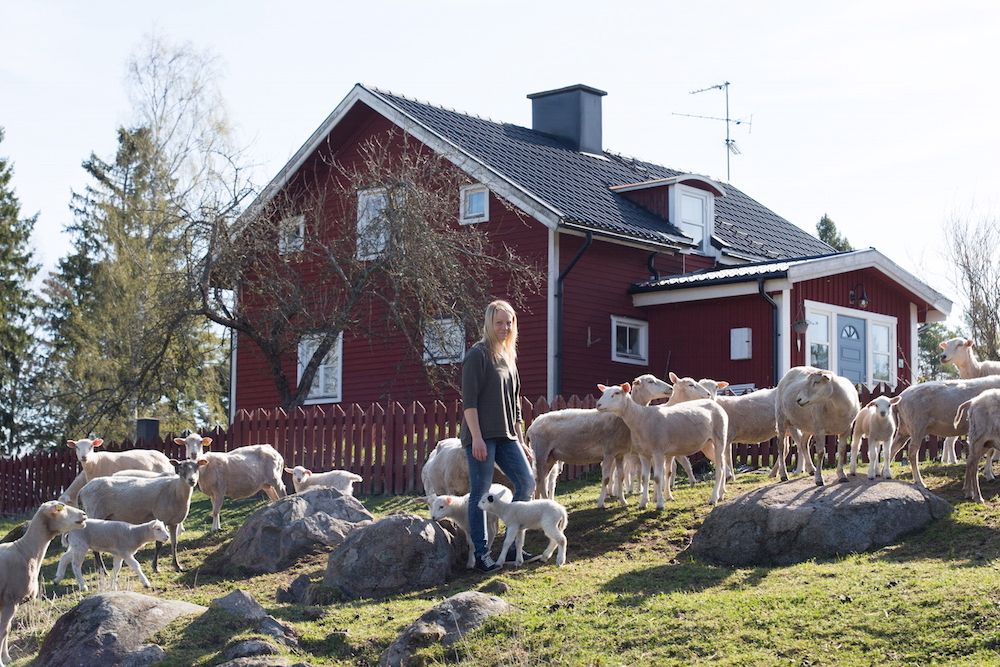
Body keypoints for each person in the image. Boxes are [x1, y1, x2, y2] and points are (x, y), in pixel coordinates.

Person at [461, 299, 536, 573]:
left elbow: (515, 405)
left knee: (526, 482)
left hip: (507, 436)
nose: (505, 328)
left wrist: (521, 438)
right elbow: (469, 402)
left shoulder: (509, 357)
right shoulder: (477, 355)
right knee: (480, 493)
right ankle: (482, 555)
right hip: (481, 436)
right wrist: (477, 438)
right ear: (489, 324)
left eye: (509, 322)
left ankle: (512, 547)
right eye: (499, 323)